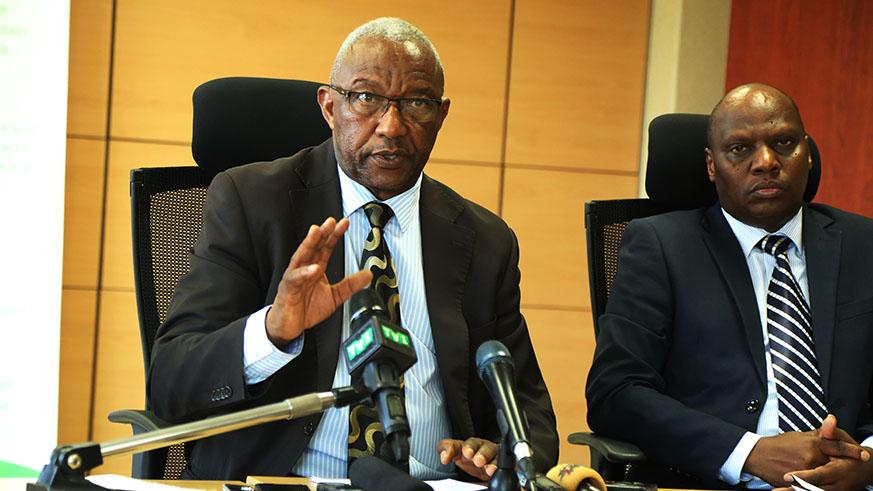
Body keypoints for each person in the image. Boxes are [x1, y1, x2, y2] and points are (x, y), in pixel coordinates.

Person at [147, 17, 558, 482]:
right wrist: (272, 331)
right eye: (366, 98)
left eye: (417, 103)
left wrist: (498, 451)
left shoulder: (486, 241)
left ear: (441, 115)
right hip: (292, 482)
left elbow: (532, 421)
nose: (392, 126)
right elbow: (170, 380)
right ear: (329, 106)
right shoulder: (252, 202)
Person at [586, 83, 873, 489]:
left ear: (807, 154)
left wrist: (868, 461)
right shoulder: (661, 246)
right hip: (712, 481)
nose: (767, 162)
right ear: (710, 164)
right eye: (740, 149)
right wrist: (750, 452)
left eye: (784, 143)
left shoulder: (864, 245)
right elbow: (615, 392)